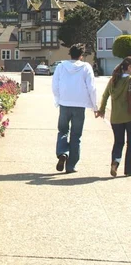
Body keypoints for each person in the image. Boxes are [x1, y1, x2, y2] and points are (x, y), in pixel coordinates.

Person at [51, 43, 98, 173]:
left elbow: (55, 85)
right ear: (81, 56)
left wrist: (58, 99)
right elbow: (92, 88)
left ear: (70, 54)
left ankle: (62, 153)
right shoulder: (86, 67)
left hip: (65, 104)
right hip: (80, 105)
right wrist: (95, 106)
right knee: (76, 135)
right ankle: (71, 166)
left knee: (62, 131)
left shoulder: (61, 66)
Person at [96, 56, 131, 177]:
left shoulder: (113, 80)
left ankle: (115, 162)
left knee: (118, 142)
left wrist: (101, 110)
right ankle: (128, 170)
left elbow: (105, 95)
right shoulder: (130, 80)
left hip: (115, 118)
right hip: (129, 116)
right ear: (129, 67)